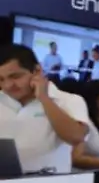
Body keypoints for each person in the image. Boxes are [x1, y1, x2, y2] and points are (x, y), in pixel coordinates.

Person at [0, 44, 89, 173]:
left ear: (37, 71)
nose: (8, 85)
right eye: (1, 79)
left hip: (50, 182)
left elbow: (76, 137)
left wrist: (44, 98)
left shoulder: (68, 100)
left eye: (15, 76)